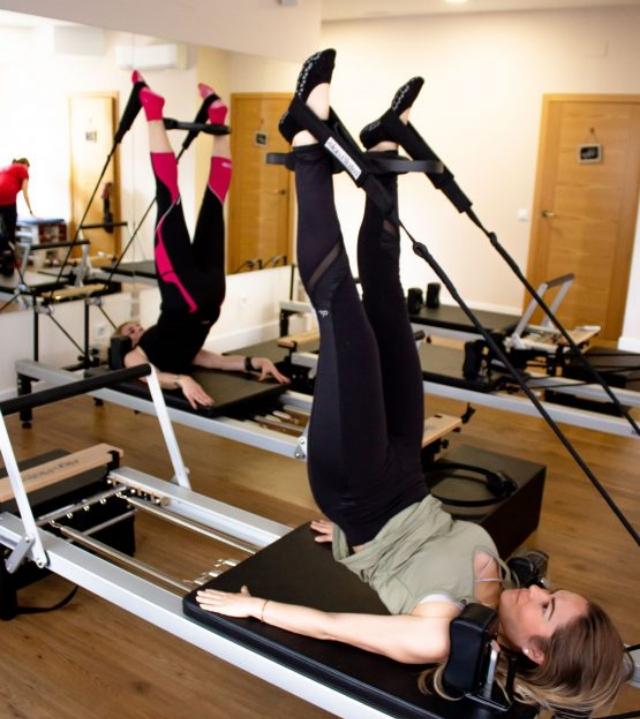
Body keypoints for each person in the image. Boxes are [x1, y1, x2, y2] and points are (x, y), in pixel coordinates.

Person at [195, 50, 632, 716]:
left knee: (342, 309)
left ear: (536, 651)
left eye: (547, 607)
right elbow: (420, 548)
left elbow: (333, 626)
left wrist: (255, 606)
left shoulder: (438, 635)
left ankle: (307, 138)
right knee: (389, 306)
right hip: (402, 476)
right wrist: (348, 543)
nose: (541, 590)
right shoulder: (505, 583)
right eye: (555, 593)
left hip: (357, 486)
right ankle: (382, 147)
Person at [118, 73, 289, 409]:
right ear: (124, 343)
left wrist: (253, 362)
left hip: (201, 297)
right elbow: (150, 376)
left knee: (211, 204)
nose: (136, 330)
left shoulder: (172, 347)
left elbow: (215, 361)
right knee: (171, 198)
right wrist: (181, 380)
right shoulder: (133, 357)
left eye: (133, 327)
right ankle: (152, 111)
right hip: (192, 296)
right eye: (131, 332)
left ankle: (219, 120)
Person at [0, 157, 34, 276]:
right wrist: (30, 210)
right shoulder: (22, 169)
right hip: (8, 201)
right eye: (28, 167)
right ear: (24, 164)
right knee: (10, 233)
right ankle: (9, 266)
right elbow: (25, 192)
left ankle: (3, 261)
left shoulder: (5, 168)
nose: (28, 170)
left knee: (2, 232)